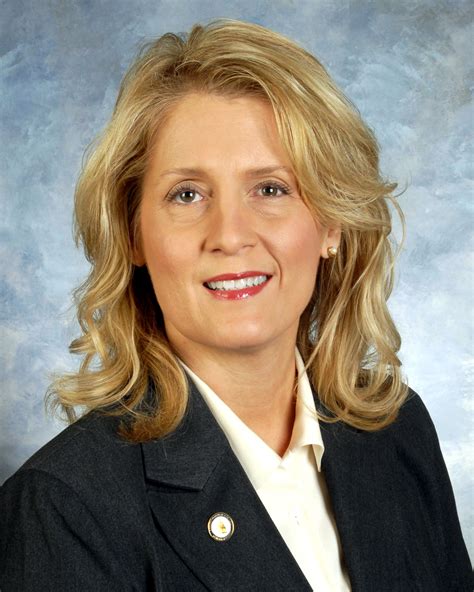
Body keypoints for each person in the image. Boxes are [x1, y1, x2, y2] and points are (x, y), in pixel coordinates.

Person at [0, 18, 471, 592]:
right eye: (187, 194)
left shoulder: (397, 432)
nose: (229, 234)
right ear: (133, 234)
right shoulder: (63, 510)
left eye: (270, 189)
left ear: (331, 223)